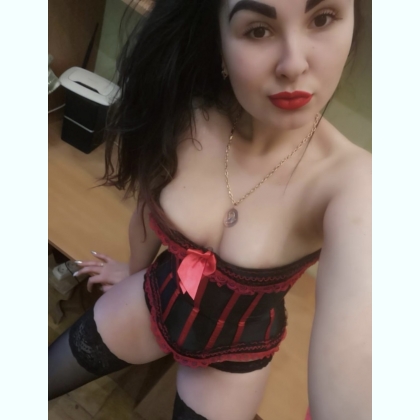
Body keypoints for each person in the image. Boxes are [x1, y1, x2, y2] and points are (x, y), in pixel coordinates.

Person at [48, 0, 371, 419]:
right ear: (218, 38)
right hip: (155, 298)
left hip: (235, 356)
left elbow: (362, 355)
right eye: (258, 30)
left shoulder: (357, 185)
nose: (294, 64)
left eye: (322, 18)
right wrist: (132, 271)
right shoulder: (184, 114)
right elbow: (146, 207)